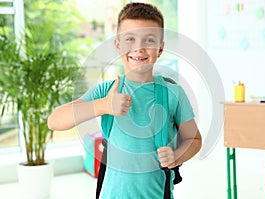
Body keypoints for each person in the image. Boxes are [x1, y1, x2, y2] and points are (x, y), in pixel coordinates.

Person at [48, 2, 202, 199]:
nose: (139, 48)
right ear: (118, 45)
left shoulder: (173, 93)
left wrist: (176, 156)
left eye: (149, 40)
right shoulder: (105, 91)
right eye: (130, 39)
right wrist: (102, 105)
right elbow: (55, 120)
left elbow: (194, 139)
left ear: (160, 49)